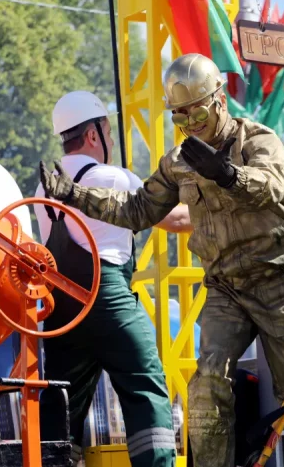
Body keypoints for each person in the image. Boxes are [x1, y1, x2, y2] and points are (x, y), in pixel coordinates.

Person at [38, 55, 284, 467]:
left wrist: (230, 175)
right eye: (181, 117)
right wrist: (76, 196)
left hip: (281, 285)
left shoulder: (259, 141)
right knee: (207, 386)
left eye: (197, 112)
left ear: (219, 101)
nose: (191, 125)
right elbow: (138, 208)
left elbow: (270, 185)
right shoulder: (179, 162)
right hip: (226, 289)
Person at [35, 90, 191, 467]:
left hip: (61, 312)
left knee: (61, 404)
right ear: (94, 135)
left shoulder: (43, 188)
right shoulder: (113, 177)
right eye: (107, 130)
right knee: (145, 386)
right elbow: (179, 220)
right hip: (107, 300)